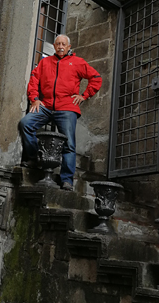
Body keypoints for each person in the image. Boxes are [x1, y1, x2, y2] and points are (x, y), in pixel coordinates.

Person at [19, 35, 102, 190]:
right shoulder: (45, 62)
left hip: (67, 107)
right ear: (54, 46)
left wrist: (84, 95)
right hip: (46, 105)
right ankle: (33, 158)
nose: (60, 46)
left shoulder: (78, 62)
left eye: (64, 44)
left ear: (69, 47)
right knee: (25, 124)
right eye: (58, 44)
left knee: (68, 143)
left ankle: (67, 180)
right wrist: (34, 99)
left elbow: (96, 78)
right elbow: (34, 79)